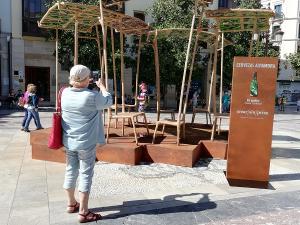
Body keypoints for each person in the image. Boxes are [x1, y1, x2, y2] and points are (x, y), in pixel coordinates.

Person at [61, 65, 112, 223]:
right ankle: (83, 212)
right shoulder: (91, 96)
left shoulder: (64, 93)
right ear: (86, 79)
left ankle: (71, 204)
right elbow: (108, 102)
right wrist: (102, 87)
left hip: (69, 140)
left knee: (70, 170)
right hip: (86, 143)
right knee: (85, 174)